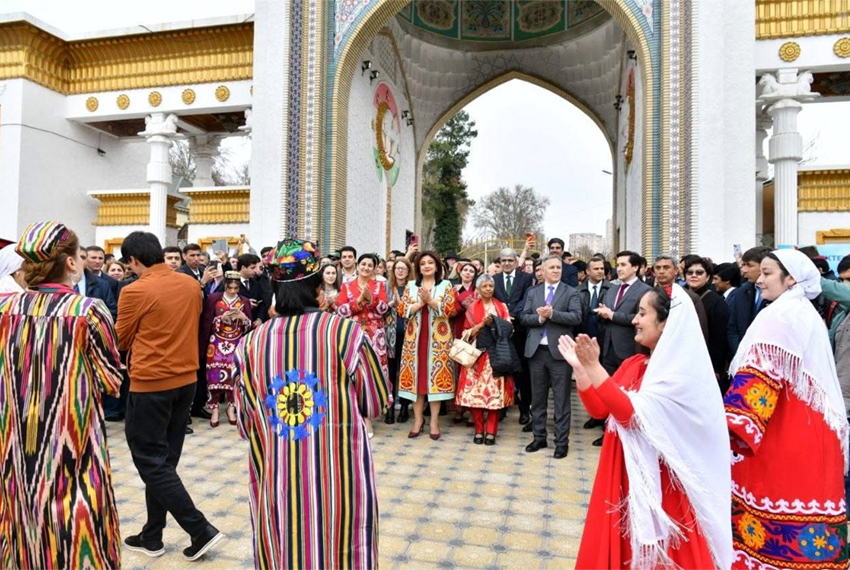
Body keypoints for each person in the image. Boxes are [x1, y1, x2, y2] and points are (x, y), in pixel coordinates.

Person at [233, 238, 387, 569]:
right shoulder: (346, 334)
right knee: (344, 549)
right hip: (340, 479)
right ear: (318, 287)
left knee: (284, 550)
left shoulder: (249, 346)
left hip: (278, 479)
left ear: (275, 287)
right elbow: (376, 403)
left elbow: (246, 426)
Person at [565, 286, 732, 569]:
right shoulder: (635, 363)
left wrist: (593, 367)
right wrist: (581, 370)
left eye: (642, 314)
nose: (634, 320)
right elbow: (600, 410)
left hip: (664, 487)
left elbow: (631, 416)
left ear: (666, 323)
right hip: (621, 473)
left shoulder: (680, 376)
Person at [0, 221, 124, 570]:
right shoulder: (88, 310)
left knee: (21, 509)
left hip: (15, 435)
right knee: (77, 512)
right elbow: (111, 379)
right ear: (70, 262)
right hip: (72, 434)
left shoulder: (5, 308)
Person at [724, 249, 849, 569]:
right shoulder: (802, 311)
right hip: (813, 429)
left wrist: (724, 425)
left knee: (776, 510)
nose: (760, 280)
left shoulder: (781, 315)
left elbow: (758, 380)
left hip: (787, 430)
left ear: (791, 278)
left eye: (767, 273)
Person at [116, 231, 223, 561]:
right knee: (164, 462)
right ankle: (152, 535)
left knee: (150, 460)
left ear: (134, 260)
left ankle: (199, 528)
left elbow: (121, 339)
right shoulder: (190, 284)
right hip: (186, 380)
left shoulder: (134, 290)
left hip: (151, 382)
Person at [519, 255, 582, 458]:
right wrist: (539, 318)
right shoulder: (533, 292)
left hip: (560, 353)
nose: (556, 270)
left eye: (558, 267)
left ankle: (561, 442)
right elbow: (523, 317)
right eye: (552, 267)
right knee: (538, 398)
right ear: (543, 271)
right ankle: (539, 437)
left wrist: (553, 314)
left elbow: (576, 317)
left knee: (561, 400)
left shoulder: (571, 291)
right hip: (536, 352)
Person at [397, 251, 457, 440]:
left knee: (434, 381)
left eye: (430, 262)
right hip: (414, 340)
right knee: (417, 381)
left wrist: (430, 301)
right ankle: (418, 420)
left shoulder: (446, 285)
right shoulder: (410, 286)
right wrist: (420, 304)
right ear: (418, 268)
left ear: (437, 266)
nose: (426, 266)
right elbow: (401, 309)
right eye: (422, 263)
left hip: (438, 341)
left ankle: (434, 421)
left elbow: (450, 309)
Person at [457, 274, 516, 445]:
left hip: (496, 355)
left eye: (491, 286)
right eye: (485, 286)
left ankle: (491, 431)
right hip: (476, 356)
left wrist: (495, 323)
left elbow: (510, 330)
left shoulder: (501, 306)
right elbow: (465, 333)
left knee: (494, 396)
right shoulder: (472, 308)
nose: (488, 289)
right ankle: (478, 430)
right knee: (475, 395)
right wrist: (482, 324)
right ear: (478, 289)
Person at [336, 253, 391, 437]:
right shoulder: (347, 286)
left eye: (370, 265)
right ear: (358, 266)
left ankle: (370, 416)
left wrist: (371, 299)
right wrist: (358, 301)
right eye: (363, 264)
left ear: (374, 269)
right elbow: (341, 310)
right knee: (355, 373)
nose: (366, 268)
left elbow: (384, 309)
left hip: (375, 336)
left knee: (373, 374)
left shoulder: (379, 285)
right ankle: (359, 417)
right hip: (354, 334)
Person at [200, 271, 253, 428]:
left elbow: (249, 326)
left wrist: (244, 319)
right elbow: (205, 322)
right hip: (216, 342)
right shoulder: (214, 299)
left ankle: (231, 408)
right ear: (225, 286)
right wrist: (220, 319)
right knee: (214, 376)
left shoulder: (244, 301)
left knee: (233, 376)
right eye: (230, 288)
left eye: (236, 288)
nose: (232, 291)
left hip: (236, 342)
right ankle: (215, 409)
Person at [493, 248, 535, 425]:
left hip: (520, 330)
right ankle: (501, 408)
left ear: (516, 262)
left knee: (522, 372)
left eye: (510, 260)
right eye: (504, 260)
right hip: (500, 332)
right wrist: (503, 317)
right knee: (502, 369)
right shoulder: (494, 279)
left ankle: (524, 410)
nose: (507, 263)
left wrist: (511, 315)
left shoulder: (526, 278)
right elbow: (493, 300)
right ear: (500, 262)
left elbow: (526, 299)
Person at [597, 251, 652, 374]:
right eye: (617, 265)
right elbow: (607, 315)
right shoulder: (612, 289)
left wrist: (612, 315)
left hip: (630, 349)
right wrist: (602, 312)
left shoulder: (646, 291)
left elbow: (642, 318)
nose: (619, 269)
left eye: (623, 265)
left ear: (635, 267)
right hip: (607, 349)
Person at [684, 257, 729, 388]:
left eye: (699, 272)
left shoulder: (716, 301)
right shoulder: (679, 296)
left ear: (708, 276)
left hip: (705, 361)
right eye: (689, 272)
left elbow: (719, 338)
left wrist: (715, 367)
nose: (694, 275)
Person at [727, 245, 772, 356]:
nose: (743, 270)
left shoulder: (780, 295)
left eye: (749, 265)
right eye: (743, 265)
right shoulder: (741, 293)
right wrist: (741, 355)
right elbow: (733, 329)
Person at [652, 254, 708, 339]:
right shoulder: (646, 296)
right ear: (653, 272)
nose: (661, 271)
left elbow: (700, 331)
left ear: (676, 270)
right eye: (658, 268)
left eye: (666, 267)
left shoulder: (690, 297)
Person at [451, 261, 479, 424]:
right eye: (465, 270)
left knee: (471, 371)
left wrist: (461, 297)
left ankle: (472, 410)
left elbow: (474, 307)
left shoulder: (478, 290)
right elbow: (452, 309)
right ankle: (458, 409)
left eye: (471, 271)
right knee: (457, 370)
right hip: (457, 329)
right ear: (460, 273)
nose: (468, 273)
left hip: (474, 331)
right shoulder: (452, 289)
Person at [388, 256, 413, 423]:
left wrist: (402, 305)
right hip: (389, 336)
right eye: (398, 268)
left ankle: (404, 406)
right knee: (390, 372)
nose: (400, 271)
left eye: (404, 268)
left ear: (408, 271)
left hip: (409, 335)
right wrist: (393, 303)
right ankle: (389, 407)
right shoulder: (386, 287)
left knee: (406, 371)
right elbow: (379, 309)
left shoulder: (413, 288)